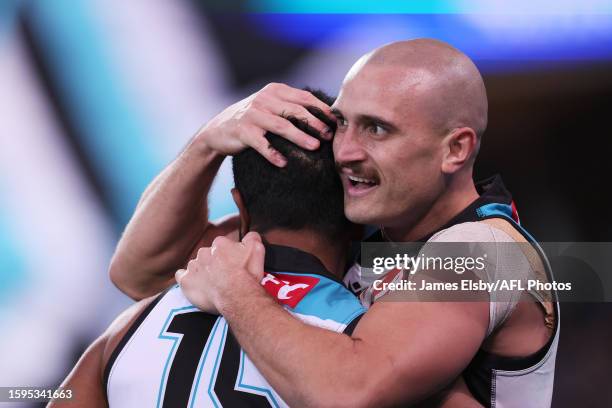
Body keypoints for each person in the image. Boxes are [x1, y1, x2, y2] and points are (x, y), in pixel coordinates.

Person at [112, 39, 559, 407]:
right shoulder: (368, 225)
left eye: (377, 129)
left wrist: (234, 291)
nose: (344, 151)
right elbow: (142, 272)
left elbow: (349, 393)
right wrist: (207, 143)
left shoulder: (482, 253)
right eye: (343, 122)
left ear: (455, 150)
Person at [50, 91, 478, 407]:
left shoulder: (135, 324)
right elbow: (134, 270)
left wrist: (207, 143)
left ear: (241, 209)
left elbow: (55, 394)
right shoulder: (378, 330)